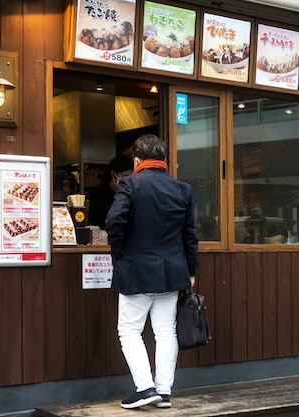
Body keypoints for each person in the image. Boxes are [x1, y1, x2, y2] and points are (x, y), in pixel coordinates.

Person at [105, 134, 198, 409]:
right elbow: (189, 236)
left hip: (136, 272)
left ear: (136, 160)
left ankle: (145, 388)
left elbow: (114, 221)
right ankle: (164, 392)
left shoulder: (130, 185)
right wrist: (191, 270)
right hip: (172, 273)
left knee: (130, 330)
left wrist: (120, 254)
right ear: (164, 160)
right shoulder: (182, 189)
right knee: (166, 331)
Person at [87, 154, 133, 229]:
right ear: (113, 175)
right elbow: (99, 219)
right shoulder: (99, 192)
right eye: (125, 176)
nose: (129, 181)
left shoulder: (130, 194)